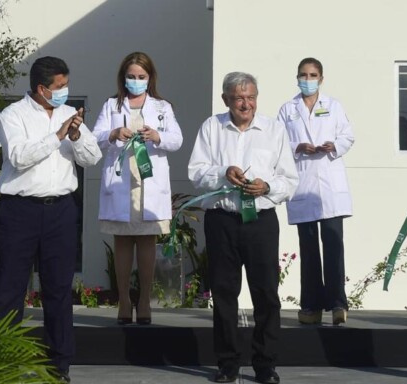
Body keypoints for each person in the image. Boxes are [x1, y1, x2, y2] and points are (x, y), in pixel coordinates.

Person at [0, 56, 102, 383]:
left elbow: (93, 157)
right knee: (11, 289)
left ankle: (60, 365)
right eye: (59, 87)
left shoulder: (70, 115)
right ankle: (4, 362)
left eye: (66, 85)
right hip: (20, 209)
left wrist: (77, 136)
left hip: (61, 210)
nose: (65, 91)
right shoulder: (13, 115)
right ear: (41, 88)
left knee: (57, 289)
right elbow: (18, 157)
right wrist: (56, 136)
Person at [188, 72, 298, 384]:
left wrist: (267, 186)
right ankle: (227, 365)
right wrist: (225, 173)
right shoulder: (212, 127)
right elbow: (196, 172)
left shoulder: (274, 130)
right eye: (238, 97)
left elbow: (289, 180)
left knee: (266, 293)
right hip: (222, 221)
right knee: (224, 294)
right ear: (226, 100)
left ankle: (266, 365)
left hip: (261, 222)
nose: (245, 103)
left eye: (250, 96)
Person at [92, 52, 183, 325]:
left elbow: (176, 139)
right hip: (122, 180)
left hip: (148, 181)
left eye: (141, 77)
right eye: (131, 76)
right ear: (123, 77)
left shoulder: (162, 107)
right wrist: (112, 134)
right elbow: (94, 137)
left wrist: (157, 136)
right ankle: (123, 300)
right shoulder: (111, 105)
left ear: (150, 78)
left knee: (146, 241)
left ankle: (144, 300)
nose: (136, 81)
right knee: (122, 241)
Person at [277, 57, 354, 325]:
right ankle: (310, 305)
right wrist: (299, 146)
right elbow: (277, 142)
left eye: (313, 75)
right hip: (302, 181)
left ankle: (337, 304)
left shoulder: (333, 106)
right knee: (308, 248)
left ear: (321, 78)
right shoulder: (288, 109)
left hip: (330, 183)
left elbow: (348, 136)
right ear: (297, 77)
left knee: (333, 244)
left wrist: (333, 146)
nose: (307, 80)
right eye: (303, 75)